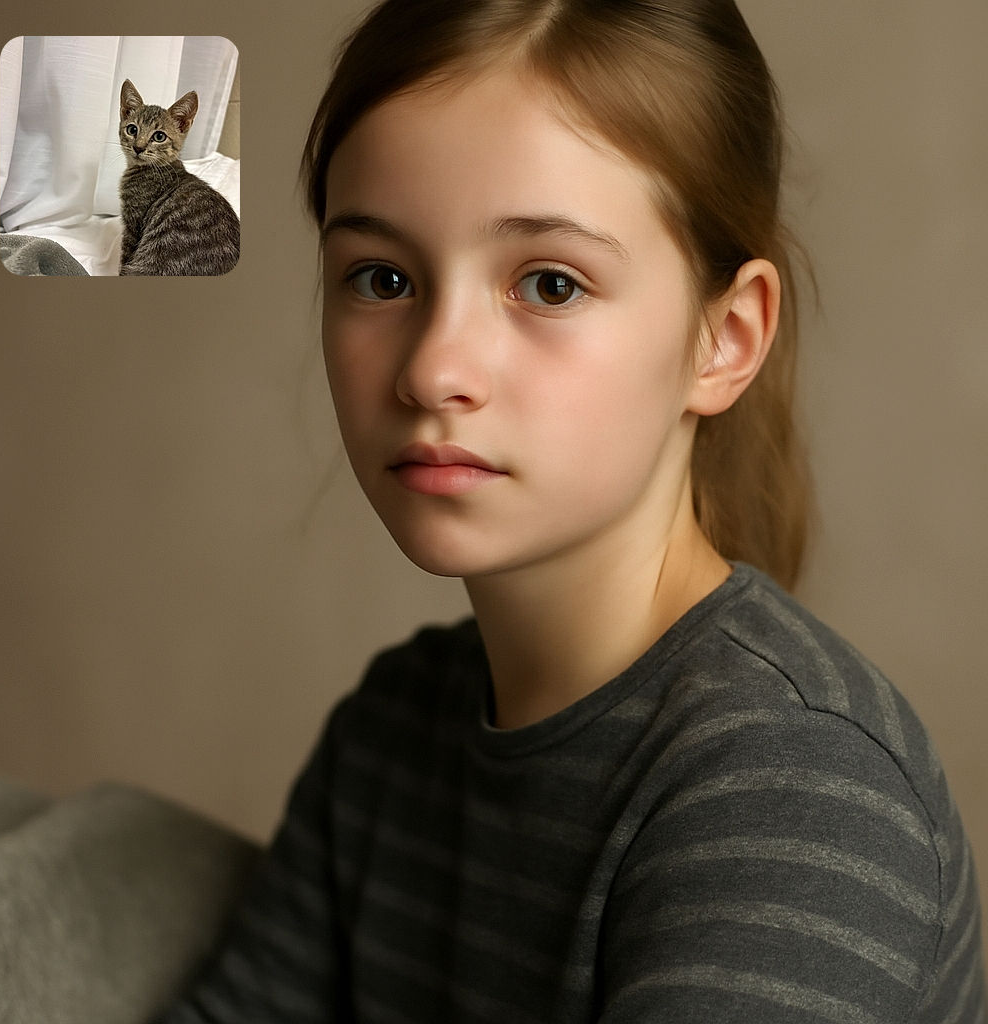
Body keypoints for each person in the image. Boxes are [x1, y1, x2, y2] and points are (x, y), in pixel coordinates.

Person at [156, 0, 986, 1020]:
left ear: (722, 338)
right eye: (382, 277)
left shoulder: (799, 791)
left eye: (548, 284)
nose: (434, 369)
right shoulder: (389, 738)